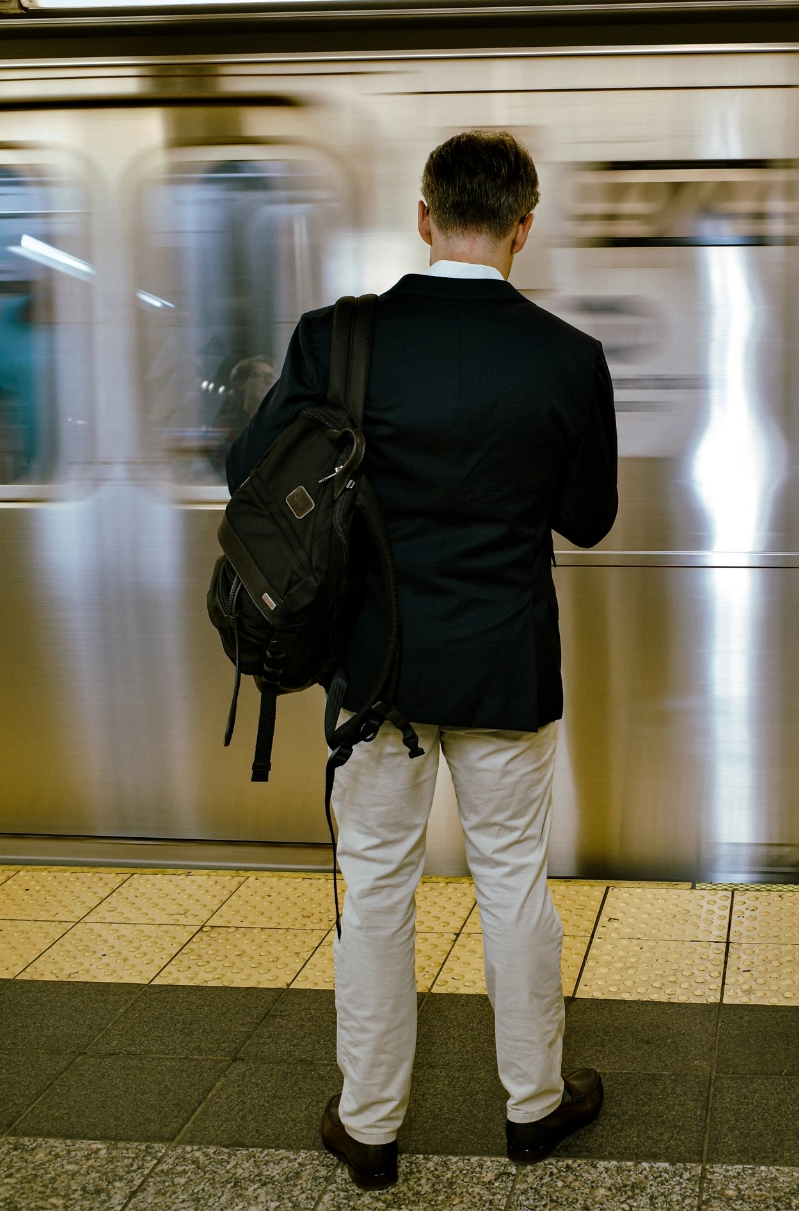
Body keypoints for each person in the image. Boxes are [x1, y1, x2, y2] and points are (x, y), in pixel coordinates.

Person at [224, 131, 618, 1191]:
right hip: (504, 666)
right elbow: (588, 518)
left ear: (423, 216)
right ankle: (534, 1105)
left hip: (375, 670)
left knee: (376, 889)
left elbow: (250, 470)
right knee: (513, 883)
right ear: (524, 227)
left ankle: (369, 1125)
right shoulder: (567, 356)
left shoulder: (336, 339)